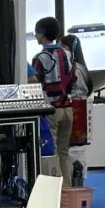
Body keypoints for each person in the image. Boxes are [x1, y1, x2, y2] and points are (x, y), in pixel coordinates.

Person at [31, 17, 75, 185]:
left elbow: (36, 84)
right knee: (64, 153)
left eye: (36, 33)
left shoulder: (40, 58)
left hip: (51, 111)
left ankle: (55, 193)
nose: (35, 36)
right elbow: (73, 78)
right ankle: (67, 189)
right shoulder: (67, 54)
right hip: (68, 109)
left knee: (52, 153)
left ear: (42, 34)